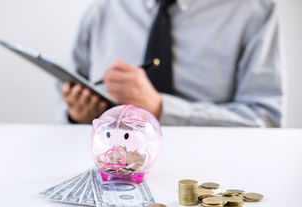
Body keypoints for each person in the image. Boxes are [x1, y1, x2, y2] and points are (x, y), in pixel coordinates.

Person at [58, 0, 283, 127]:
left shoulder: (255, 11)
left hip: (213, 174)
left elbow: (266, 119)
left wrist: (160, 108)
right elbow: (63, 101)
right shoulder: (102, 10)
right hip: (112, 169)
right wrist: (77, 116)